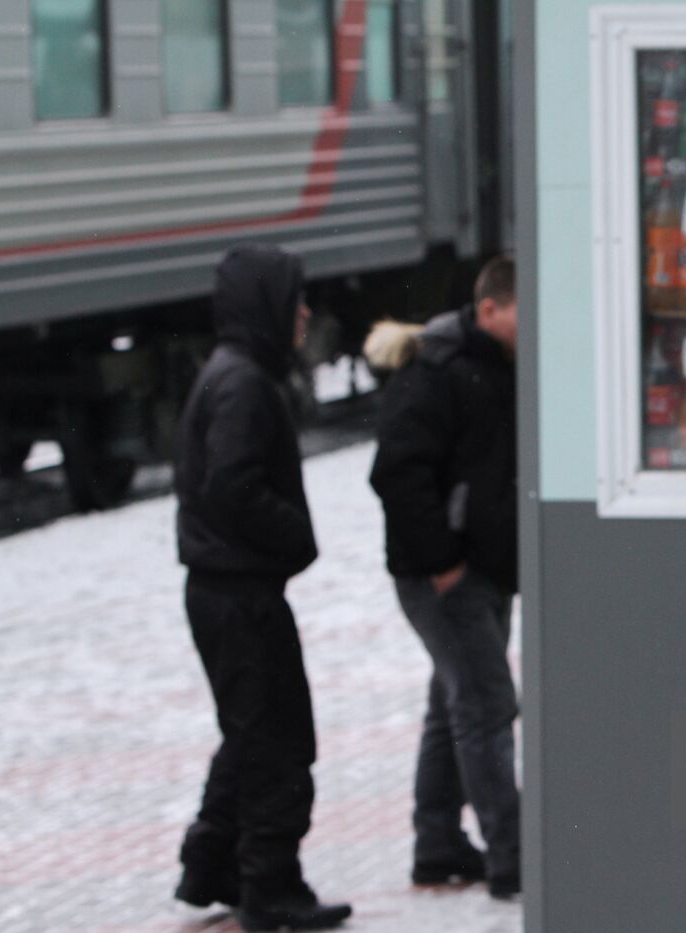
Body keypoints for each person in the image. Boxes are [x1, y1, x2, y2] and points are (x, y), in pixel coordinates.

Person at [173, 243, 352, 931]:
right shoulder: (244, 383)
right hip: (238, 592)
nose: (305, 312)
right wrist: (296, 535)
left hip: (226, 589)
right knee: (276, 738)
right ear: (267, 304)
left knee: (250, 732)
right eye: (295, 297)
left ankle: (215, 865)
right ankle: (270, 887)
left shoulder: (234, 373)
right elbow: (233, 485)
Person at [367, 254, 520, 900]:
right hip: (447, 575)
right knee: (486, 703)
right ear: (489, 309)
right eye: (525, 311)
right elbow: (396, 473)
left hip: (482, 567)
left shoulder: (498, 364)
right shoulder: (440, 371)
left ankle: (436, 842)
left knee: (451, 702)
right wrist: (443, 564)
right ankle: (516, 853)